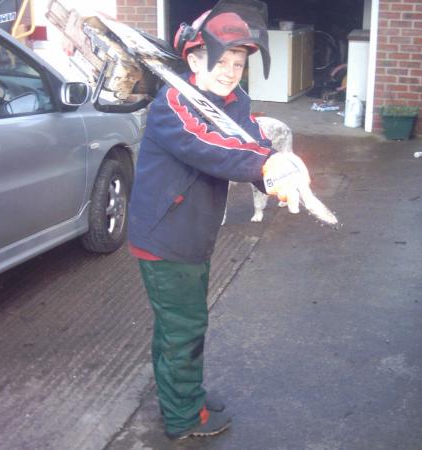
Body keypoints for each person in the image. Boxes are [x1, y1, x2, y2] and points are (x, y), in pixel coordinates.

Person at [127, 0, 309, 440]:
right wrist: (267, 165)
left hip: (195, 231)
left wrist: (275, 175)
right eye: (220, 60)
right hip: (166, 237)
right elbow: (212, 146)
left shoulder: (235, 100)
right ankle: (184, 417)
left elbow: (245, 142)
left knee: (178, 326)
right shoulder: (173, 102)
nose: (230, 71)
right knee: (183, 330)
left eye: (238, 62)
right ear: (194, 59)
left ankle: (182, 394)